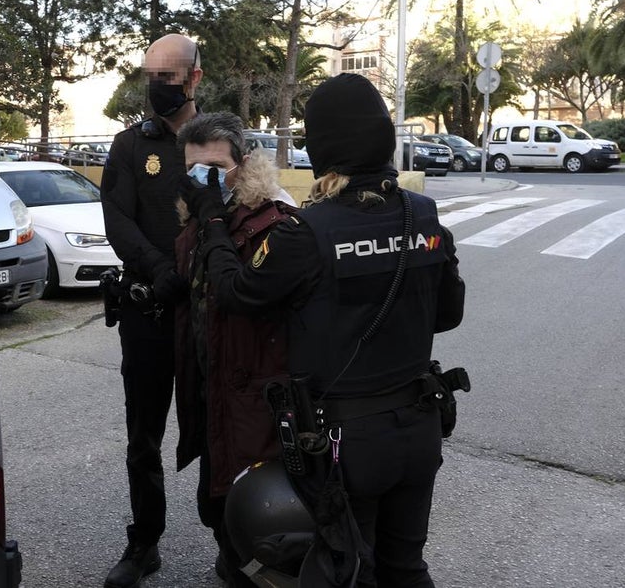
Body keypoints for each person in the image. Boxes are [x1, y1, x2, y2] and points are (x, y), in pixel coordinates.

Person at [182, 73, 465, 587]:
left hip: (345, 444)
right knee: (406, 568)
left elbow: (235, 292)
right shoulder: (424, 216)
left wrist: (213, 222)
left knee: (346, 570)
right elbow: (448, 315)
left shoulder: (306, 233)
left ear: (322, 148)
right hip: (420, 427)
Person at [172, 112, 300, 585]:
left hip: (257, 398)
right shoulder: (195, 229)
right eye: (193, 171)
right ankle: (233, 566)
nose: (204, 181)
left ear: (242, 164)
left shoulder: (274, 222)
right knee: (215, 502)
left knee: (258, 512)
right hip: (210, 393)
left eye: (215, 168)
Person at [100, 32, 201, 588]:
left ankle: (235, 541)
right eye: (151, 77)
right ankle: (145, 543)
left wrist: (191, 272)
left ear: (194, 79)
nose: (158, 88)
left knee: (219, 427)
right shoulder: (129, 146)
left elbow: (244, 213)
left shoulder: (220, 141)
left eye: (169, 77)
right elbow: (118, 218)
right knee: (144, 436)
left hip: (209, 313)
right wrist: (161, 271)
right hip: (149, 312)